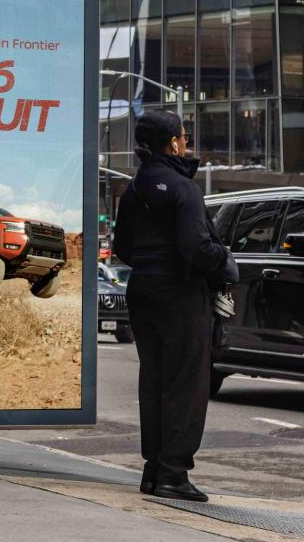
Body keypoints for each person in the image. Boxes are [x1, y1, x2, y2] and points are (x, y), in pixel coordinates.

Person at [113, 109, 231, 503]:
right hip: (181, 293)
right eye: (184, 136)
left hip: (143, 290)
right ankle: (173, 475)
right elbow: (196, 247)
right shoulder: (184, 188)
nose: (187, 142)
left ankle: (154, 470)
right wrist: (227, 263)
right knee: (186, 383)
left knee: (156, 380)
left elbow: (123, 247)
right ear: (172, 143)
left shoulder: (132, 189)